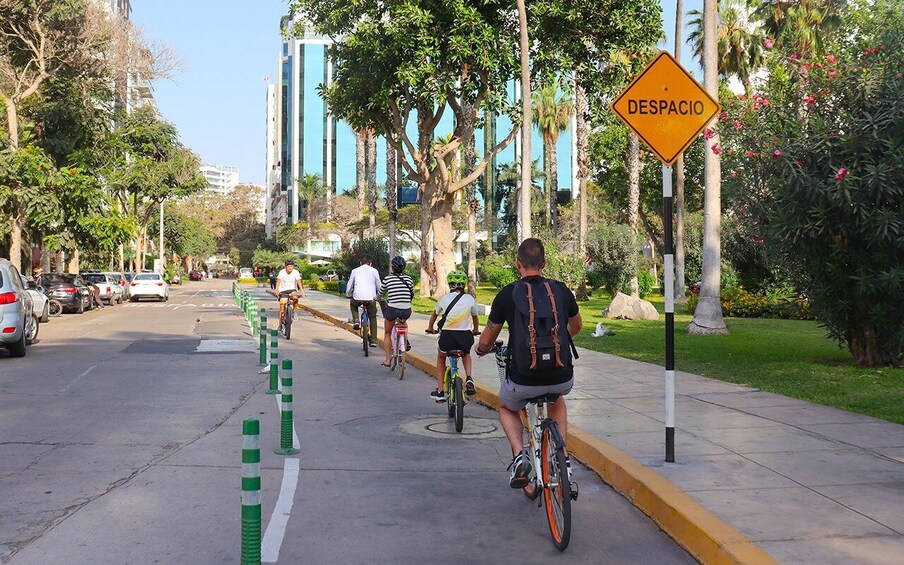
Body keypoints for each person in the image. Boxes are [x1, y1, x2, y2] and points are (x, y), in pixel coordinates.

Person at [475, 238, 582, 488]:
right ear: (544, 263)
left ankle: (519, 455)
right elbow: (576, 327)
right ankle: (563, 458)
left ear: (517, 264)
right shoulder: (562, 290)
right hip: (561, 377)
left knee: (507, 408)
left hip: (523, 379)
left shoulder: (507, 294)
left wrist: (481, 349)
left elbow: (488, 337)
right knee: (556, 399)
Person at [426, 270, 480, 402]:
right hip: (465, 337)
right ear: (463, 285)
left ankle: (440, 390)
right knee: (466, 353)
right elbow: (475, 318)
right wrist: (476, 330)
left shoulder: (444, 299)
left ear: (450, 285)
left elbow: (434, 315)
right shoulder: (469, 299)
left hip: (447, 337)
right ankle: (468, 378)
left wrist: (430, 328)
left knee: (441, 356)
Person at [380, 256, 414, 367]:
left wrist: (377, 298)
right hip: (406, 310)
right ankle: (405, 338)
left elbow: (380, 293)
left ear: (393, 267)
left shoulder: (387, 279)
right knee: (403, 321)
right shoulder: (408, 279)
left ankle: (387, 359)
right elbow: (412, 293)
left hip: (392, 309)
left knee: (387, 332)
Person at [346, 256, 382, 347]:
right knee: (373, 317)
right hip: (370, 299)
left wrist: (348, 294)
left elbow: (350, 284)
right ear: (370, 263)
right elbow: (379, 285)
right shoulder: (374, 271)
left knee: (353, 305)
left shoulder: (355, 271)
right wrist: (379, 296)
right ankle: (373, 340)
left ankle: (356, 320)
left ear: (360, 263)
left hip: (357, 298)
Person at [274, 260, 304, 329]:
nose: (290, 268)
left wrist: (302, 291)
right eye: (288, 266)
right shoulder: (282, 272)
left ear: (293, 267)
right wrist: (276, 290)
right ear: (285, 267)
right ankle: (280, 325)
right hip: (283, 291)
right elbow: (278, 280)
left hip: (292, 289)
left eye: (291, 266)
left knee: (295, 298)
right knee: (282, 306)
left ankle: (294, 312)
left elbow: (299, 281)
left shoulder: (296, 272)